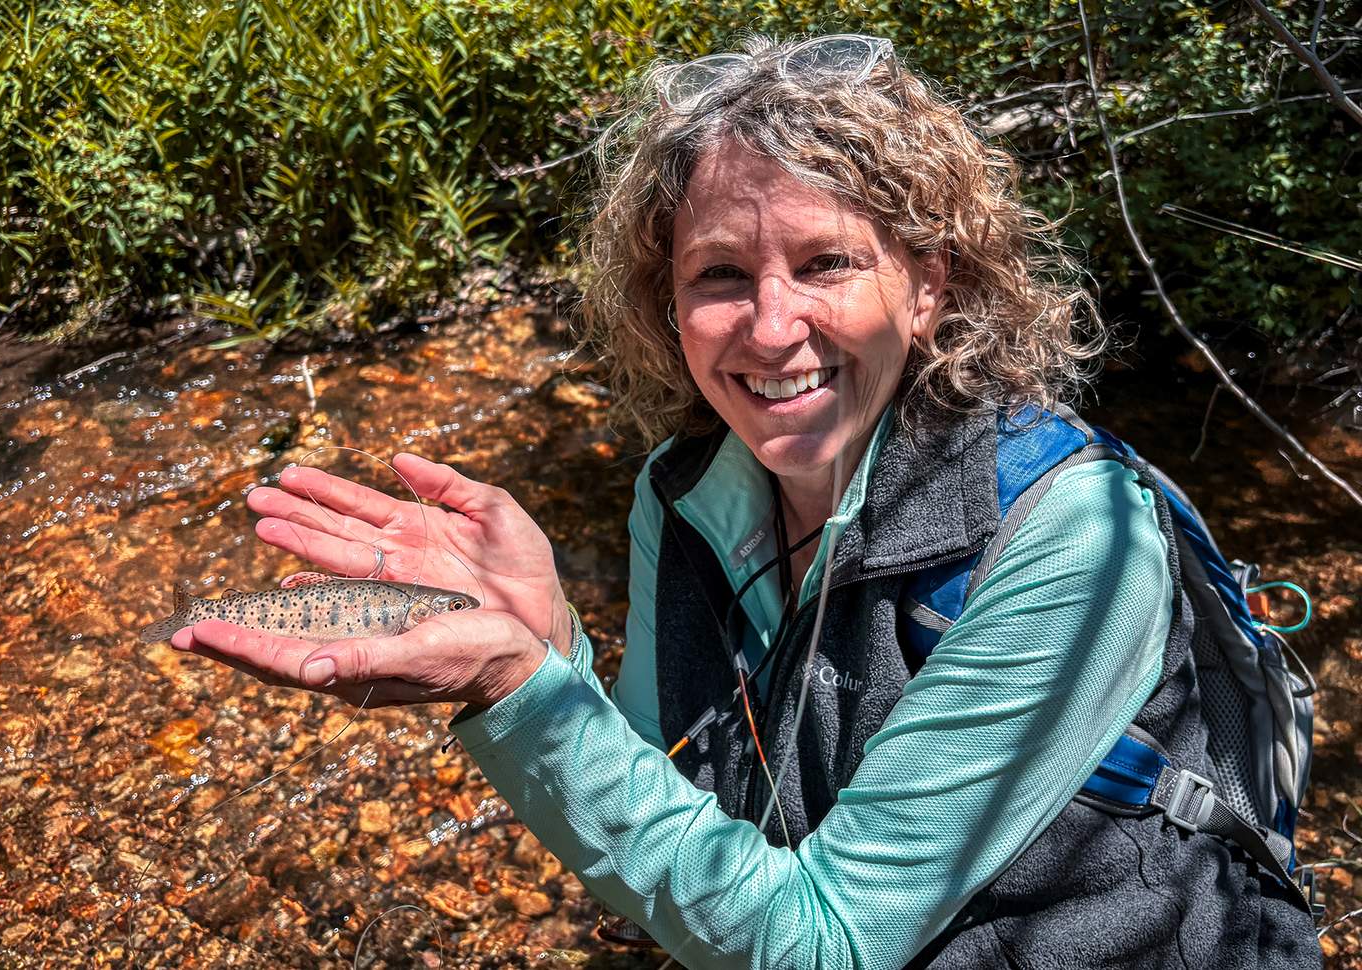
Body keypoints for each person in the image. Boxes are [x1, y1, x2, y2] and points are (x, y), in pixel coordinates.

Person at [171, 34, 1322, 968]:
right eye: (719, 274)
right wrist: (550, 646)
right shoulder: (685, 496)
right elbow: (669, 829)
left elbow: (821, 941)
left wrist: (504, 688)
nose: (770, 328)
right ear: (665, 307)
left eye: (825, 263)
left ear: (926, 286)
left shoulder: (1072, 537)